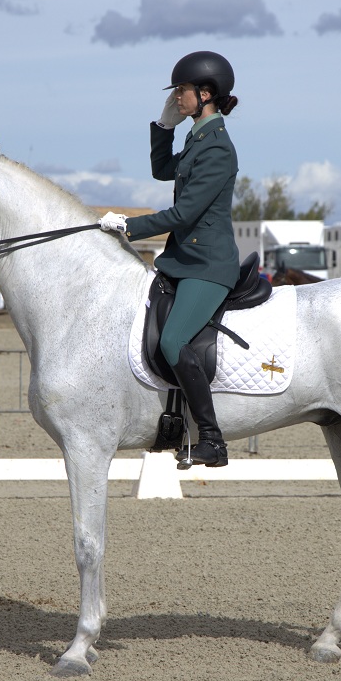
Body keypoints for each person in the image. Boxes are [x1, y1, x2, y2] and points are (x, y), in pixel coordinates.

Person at [99, 51, 240, 468]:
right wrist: (164, 126)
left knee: (174, 339)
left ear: (205, 93)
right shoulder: (198, 138)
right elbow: (163, 170)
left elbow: (183, 215)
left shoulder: (217, 148)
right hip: (183, 261)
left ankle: (212, 440)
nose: (177, 97)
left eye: (181, 91)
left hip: (207, 265)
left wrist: (127, 226)